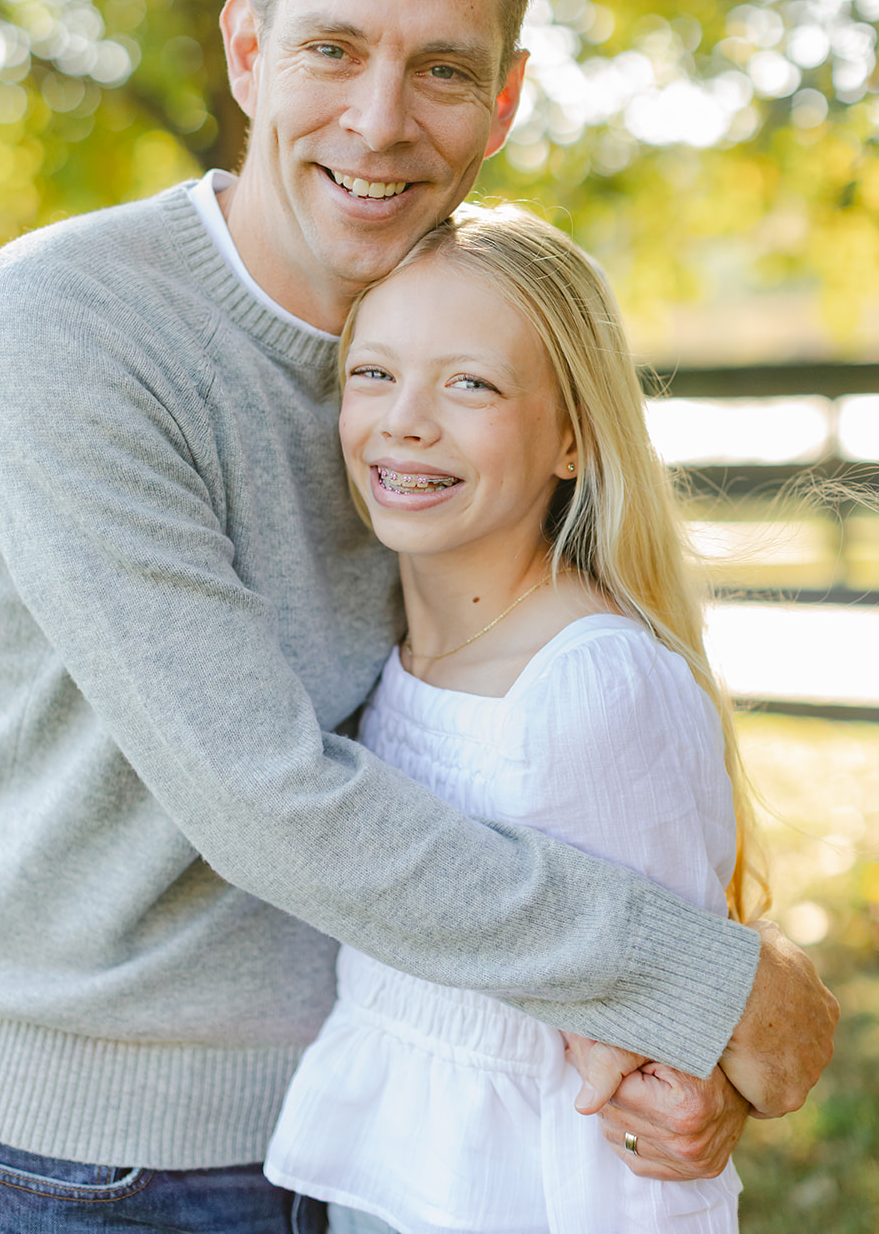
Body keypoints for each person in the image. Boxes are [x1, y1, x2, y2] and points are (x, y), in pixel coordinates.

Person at [0, 0, 836, 1234]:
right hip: (85, 1163)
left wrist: (653, 1043)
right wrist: (704, 985)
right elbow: (259, 795)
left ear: (503, 102)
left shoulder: (469, 363)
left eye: (441, 68)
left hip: (384, 1138)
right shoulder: (66, 323)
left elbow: (538, 747)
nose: (381, 119)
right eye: (330, 48)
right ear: (245, 53)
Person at [265, 203, 757, 1232]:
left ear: (571, 436)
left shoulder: (588, 686)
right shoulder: (386, 657)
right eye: (373, 372)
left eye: (471, 383)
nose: (403, 418)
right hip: (371, 1184)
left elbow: (659, 1086)